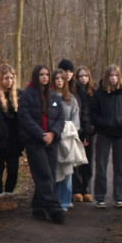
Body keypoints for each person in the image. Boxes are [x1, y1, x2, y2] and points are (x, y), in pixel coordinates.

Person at [17, 65, 66, 224]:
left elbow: (61, 118)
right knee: (44, 174)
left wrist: (53, 133)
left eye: (46, 74)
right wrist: (41, 134)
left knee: (49, 174)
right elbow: (24, 117)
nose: (45, 77)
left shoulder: (53, 96)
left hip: (51, 141)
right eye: (41, 74)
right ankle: (55, 209)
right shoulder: (27, 95)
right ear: (36, 76)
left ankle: (38, 207)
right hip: (35, 142)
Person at [89, 64, 122, 208]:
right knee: (101, 166)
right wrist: (103, 122)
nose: (113, 78)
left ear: (119, 77)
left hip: (120, 134)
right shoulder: (100, 93)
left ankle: (119, 197)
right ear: (107, 77)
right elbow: (93, 113)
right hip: (104, 133)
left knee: (119, 167)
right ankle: (100, 197)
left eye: (116, 75)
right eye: (111, 75)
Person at [0, 63, 22, 198]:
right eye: (6, 78)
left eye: (11, 78)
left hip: (14, 138)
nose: (9, 81)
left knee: (13, 169)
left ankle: (9, 193)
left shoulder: (18, 94)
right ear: (0, 79)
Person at [52, 70, 81, 211]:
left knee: (67, 172)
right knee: (55, 172)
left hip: (67, 140)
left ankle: (65, 201)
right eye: (56, 78)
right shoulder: (48, 98)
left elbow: (76, 121)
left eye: (61, 78)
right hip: (53, 139)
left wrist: (67, 130)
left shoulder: (71, 99)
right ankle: (55, 201)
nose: (59, 81)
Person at [73, 66, 96, 202]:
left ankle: (86, 188)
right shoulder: (74, 91)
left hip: (90, 130)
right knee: (76, 161)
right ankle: (76, 189)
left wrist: (93, 127)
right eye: (81, 76)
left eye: (86, 76)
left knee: (88, 160)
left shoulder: (93, 92)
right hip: (77, 129)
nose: (83, 79)